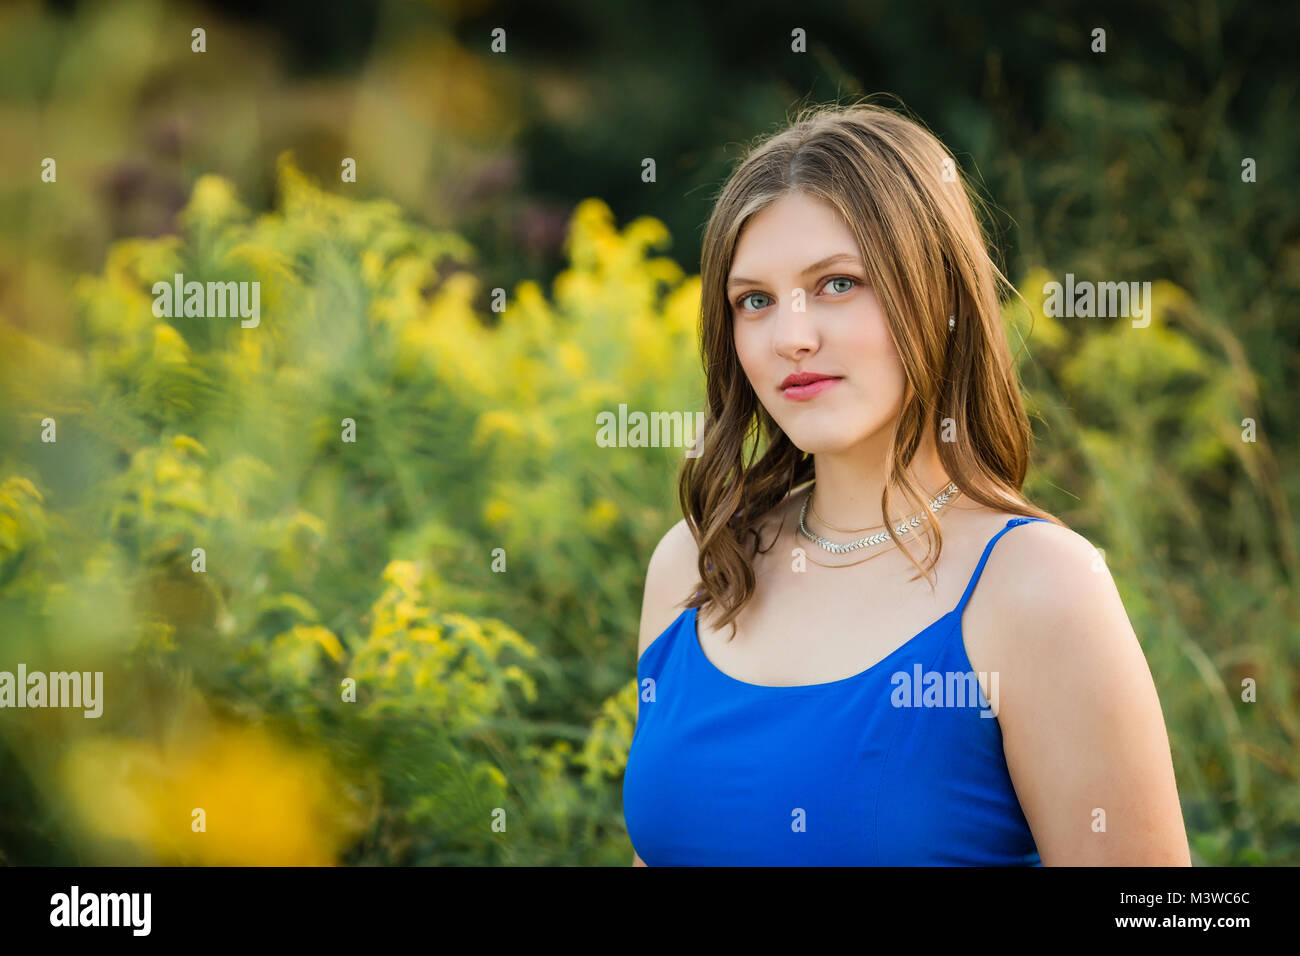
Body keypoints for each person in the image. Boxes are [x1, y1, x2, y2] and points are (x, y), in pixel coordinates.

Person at [622, 99, 1190, 866]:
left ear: (940, 295)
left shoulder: (1037, 588)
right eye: (753, 300)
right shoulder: (696, 564)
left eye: (837, 284)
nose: (791, 335)